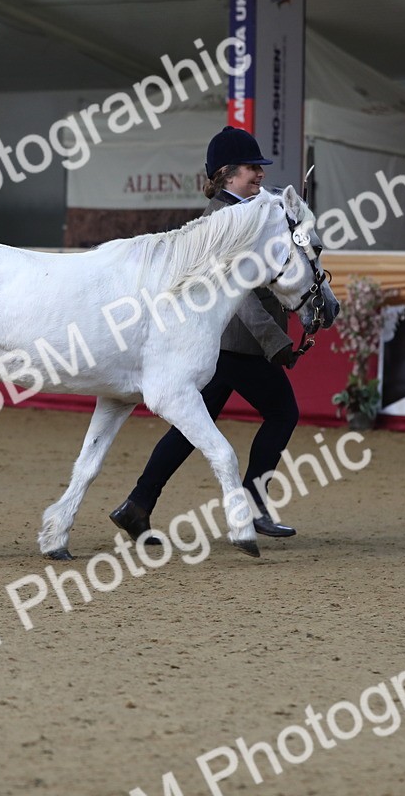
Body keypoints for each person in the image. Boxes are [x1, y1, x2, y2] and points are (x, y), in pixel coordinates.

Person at [109, 126, 302, 543]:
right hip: (235, 343)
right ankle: (252, 506)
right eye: (251, 168)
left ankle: (137, 505)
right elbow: (241, 296)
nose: (260, 174)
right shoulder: (222, 220)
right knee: (283, 412)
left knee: (190, 427)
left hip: (223, 344)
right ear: (227, 174)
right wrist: (275, 342)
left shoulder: (242, 212)